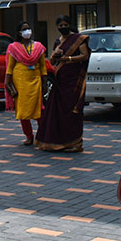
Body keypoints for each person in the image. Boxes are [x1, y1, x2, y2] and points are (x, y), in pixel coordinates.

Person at [35, 15, 90, 152]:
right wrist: (55, 55)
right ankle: (59, 141)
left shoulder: (78, 39)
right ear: (57, 27)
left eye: (65, 25)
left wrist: (68, 58)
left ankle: (75, 143)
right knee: (57, 112)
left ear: (70, 25)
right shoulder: (57, 41)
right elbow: (53, 62)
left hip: (73, 81)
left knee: (72, 111)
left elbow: (85, 56)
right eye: (60, 25)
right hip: (60, 81)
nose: (63, 27)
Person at [4, 21, 47, 145]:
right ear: (19, 33)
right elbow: (10, 67)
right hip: (20, 83)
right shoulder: (13, 47)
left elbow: (43, 67)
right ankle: (29, 136)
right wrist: (7, 81)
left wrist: (44, 82)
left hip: (35, 81)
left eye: (29, 28)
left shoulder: (39, 47)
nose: (27, 31)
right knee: (23, 112)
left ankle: (42, 134)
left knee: (39, 110)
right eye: (24, 29)